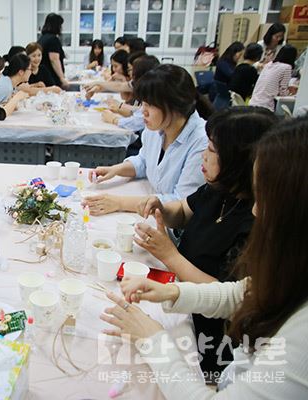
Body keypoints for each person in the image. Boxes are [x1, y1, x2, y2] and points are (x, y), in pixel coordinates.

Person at [101, 118, 308, 398]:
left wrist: (154, 340)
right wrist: (172, 292)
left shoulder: (301, 339)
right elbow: (243, 293)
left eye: (266, 199)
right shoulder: (218, 193)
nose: (257, 211)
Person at [134, 107, 278, 376]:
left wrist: (170, 255)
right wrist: (162, 209)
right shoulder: (218, 190)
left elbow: (227, 295)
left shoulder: (254, 222)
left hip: (208, 335)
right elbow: (184, 212)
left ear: (239, 159)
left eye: (212, 150)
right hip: (178, 297)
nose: (203, 154)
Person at [83, 65, 213, 215]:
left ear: (175, 107)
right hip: (150, 207)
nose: (142, 111)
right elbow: (144, 161)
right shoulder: (157, 127)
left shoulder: (201, 142)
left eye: (150, 105)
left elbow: (182, 202)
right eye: (143, 103)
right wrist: (116, 170)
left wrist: (119, 202)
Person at [101, 55, 159, 132]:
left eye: (131, 70)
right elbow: (139, 111)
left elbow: (138, 121)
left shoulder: (153, 94)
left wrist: (114, 119)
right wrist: (120, 108)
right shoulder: (148, 89)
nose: (130, 74)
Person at [250, 45, 298, 111]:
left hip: (254, 101)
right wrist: (291, 93)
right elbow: (282, 92)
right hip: (266, 105)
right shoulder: (287, 67)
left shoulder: (269, 64)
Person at [38, 13, 68, 89]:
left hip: (44, 76)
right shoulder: (53, 39)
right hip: (51, 78)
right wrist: (62, 78)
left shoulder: (43, 38)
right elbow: (54, 60)